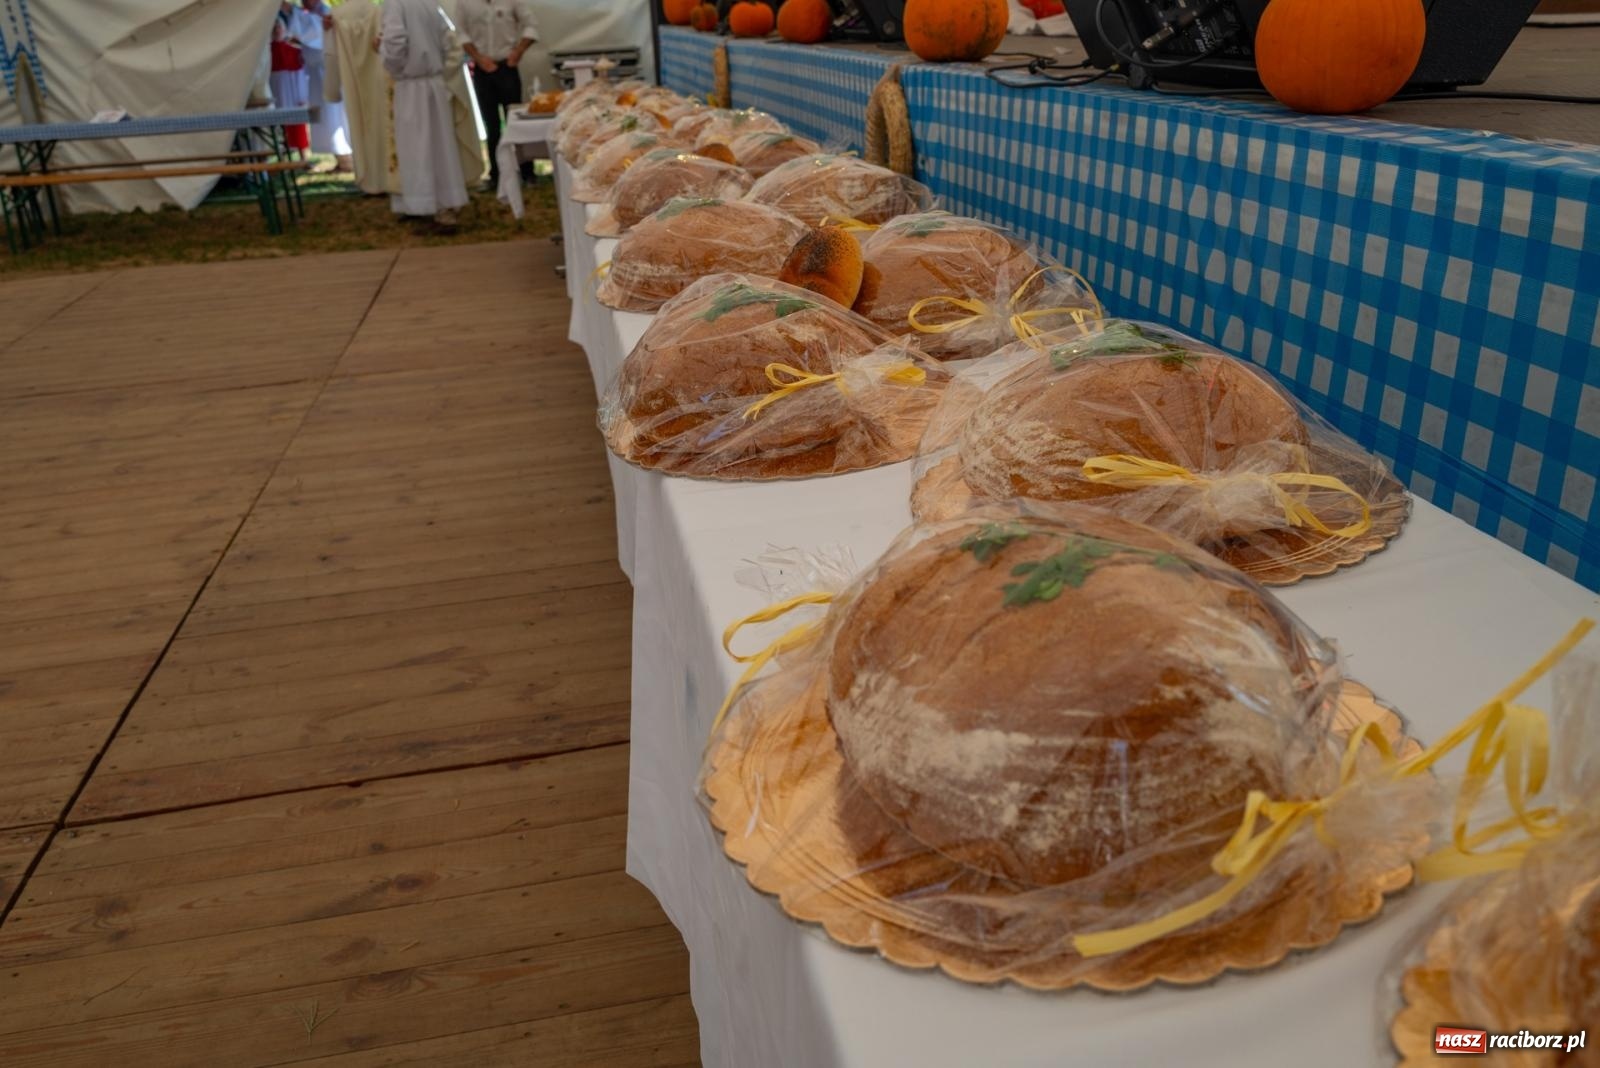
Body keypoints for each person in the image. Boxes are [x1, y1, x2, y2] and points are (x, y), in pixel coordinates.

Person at [380, 0, 470, 229]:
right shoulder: (429, 3)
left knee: (416, 148)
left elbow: (395, 41)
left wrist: (392, 65)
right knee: (439, 146)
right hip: (433, 83)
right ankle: (443, 202)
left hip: (411, 84)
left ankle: (426, 203)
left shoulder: (395, 4)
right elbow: (448, 40)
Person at [454, 0, 539, 190]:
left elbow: (531, 25)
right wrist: (478, 58)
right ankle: (496, 175)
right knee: (491, 125)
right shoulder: (464, 3)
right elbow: (460, 33)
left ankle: (527, 172)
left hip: (507, 65)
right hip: (482, 69)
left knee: (515, 120)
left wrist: (518, 51)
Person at [298, 0, 353, 168]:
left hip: (327, 71)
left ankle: (345, 158)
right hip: (317, 73)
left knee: (334, 116)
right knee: (327, 117)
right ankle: (340, 157)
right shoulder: (313, 13)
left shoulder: (326, 13)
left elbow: (316, 36)